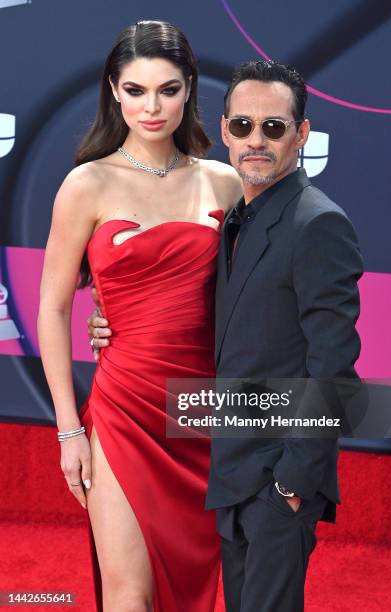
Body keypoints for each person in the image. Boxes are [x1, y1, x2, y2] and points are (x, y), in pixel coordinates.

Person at [91, 59, 364, 611]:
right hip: (230, 470)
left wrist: (292, 485)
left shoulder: (318, 224)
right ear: (224, 130)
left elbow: (335, 371)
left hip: (276, 482)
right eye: (242, 126)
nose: (255, 140)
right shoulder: (238, 218)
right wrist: (117, 320)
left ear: (302, 134)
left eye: (274, 127)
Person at [37, 20, 242, 612]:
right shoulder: (87, 184)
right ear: (113, 90)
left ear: (190, 90)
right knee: (129, 592)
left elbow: (250, 296)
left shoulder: (224, 183)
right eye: (135, 90)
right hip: (123, 406)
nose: (152, 107)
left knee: (193, 583)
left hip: (201, 408)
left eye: (168, 90)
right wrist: (69, 429)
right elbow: (51, 309)